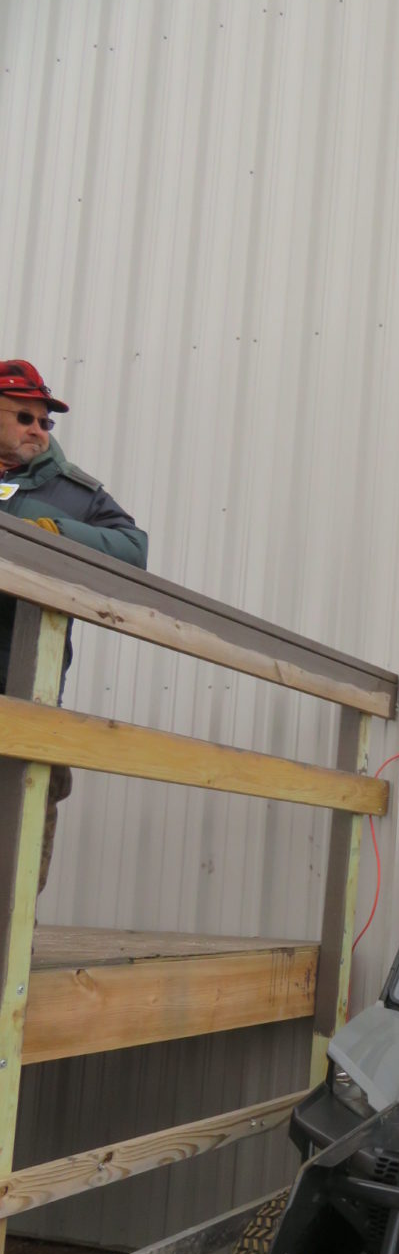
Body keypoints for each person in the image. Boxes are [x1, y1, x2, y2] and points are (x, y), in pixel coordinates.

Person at [0, 358, 148, 890]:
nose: (39, 431)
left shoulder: (74, 494)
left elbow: (134, 551)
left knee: (17, 839)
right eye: (24, 418)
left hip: (21, 693)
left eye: (45, 422)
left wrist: (55, 532)